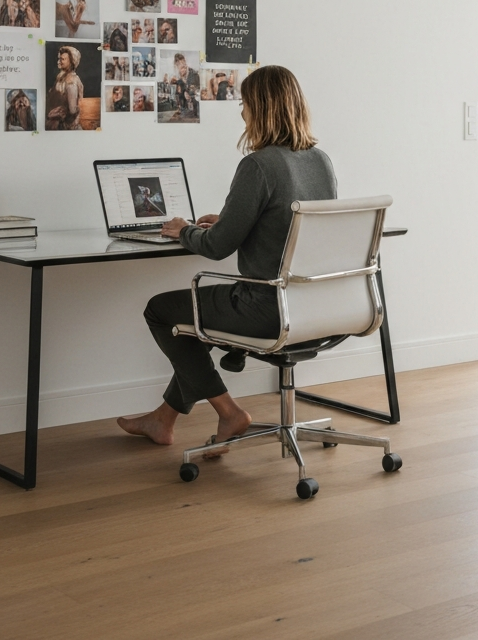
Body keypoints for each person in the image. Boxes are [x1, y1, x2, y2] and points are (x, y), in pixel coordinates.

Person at [117, 66, 337, 447]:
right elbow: (293, 225)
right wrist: (234, 220)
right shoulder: (321, 161)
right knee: (197, 320)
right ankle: (162, 420)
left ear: (262, 108)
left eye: (245, 103)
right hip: (318, 307)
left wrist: (183, 230)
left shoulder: (258, 165)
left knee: (162, 311)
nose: (242, 112)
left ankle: (229, 412)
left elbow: (217, 248)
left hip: (266, 308)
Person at [46, 45, 84, 130]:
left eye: (62, 59)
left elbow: (73, 110)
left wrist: (57, 114)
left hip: (66, 127)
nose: (58, 62)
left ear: (71, 62)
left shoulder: (71, 81)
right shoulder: (62, 78)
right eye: (59, 59)